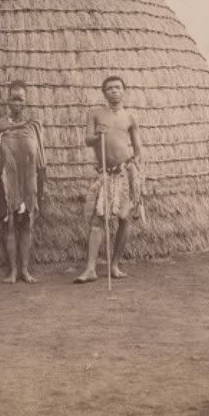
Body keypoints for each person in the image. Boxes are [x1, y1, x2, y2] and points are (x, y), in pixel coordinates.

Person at [76, 75, 143, 284]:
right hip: (105, 173)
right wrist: (98, 136)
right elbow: (87, 140)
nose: (114, 91)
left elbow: (138, 149)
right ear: (104, 92)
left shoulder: (130, 117)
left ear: (124, 90)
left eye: (117, 87)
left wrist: (136, 169)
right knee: (98, 219)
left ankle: (114, 265)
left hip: (124, 172)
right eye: (109, 88)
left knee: (124, 218)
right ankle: (90, 269)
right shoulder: (95, 114)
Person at [0, 80, 47, 284]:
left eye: (20, 99)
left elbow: (41, 158)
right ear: (7, 100)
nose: (17, 102)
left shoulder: (34, 126)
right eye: (13, 98)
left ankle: (25, 270)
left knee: (27, 225)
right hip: (8, 183)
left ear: (26, 101)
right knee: (10, 225)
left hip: (29, 182)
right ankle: (12, 271)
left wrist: (40, 185)